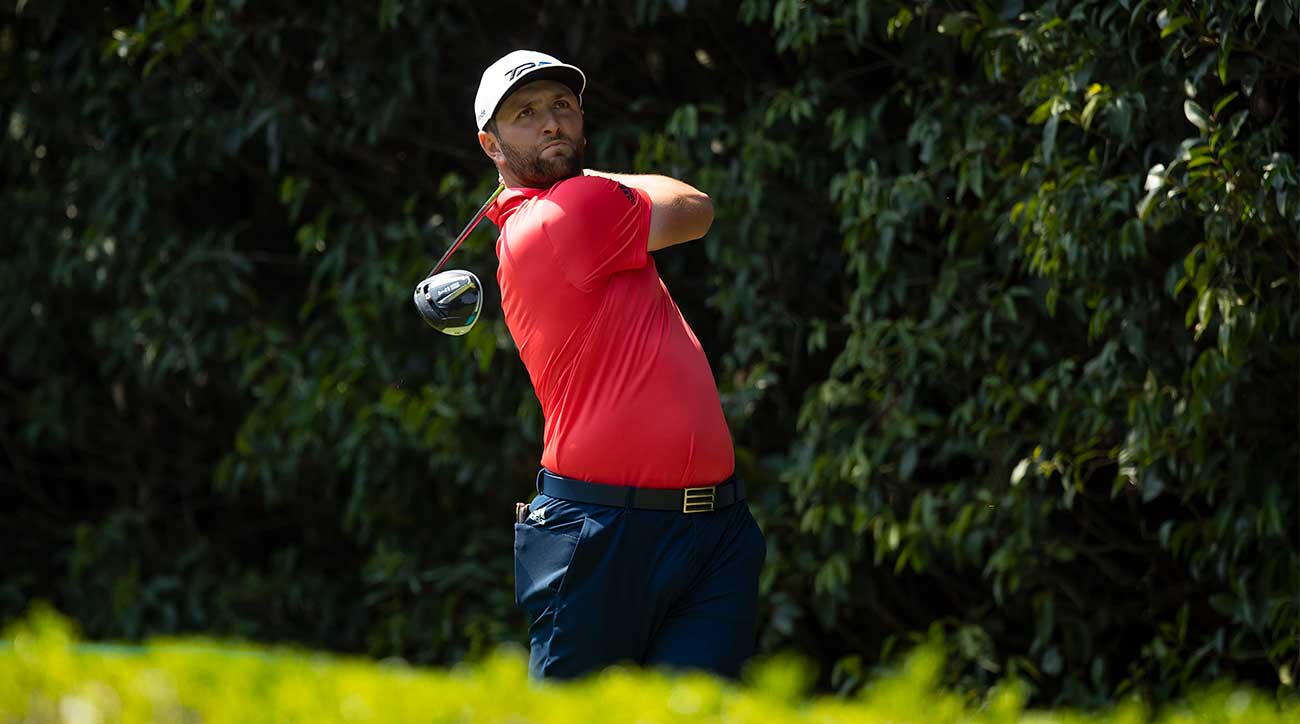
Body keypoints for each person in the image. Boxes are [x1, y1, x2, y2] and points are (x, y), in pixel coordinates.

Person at [473, 49, 766, 681]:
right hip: (602, 534)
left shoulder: (579, 206)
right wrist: (580, 178)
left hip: (712, 529)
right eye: (526, 115)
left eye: (563, 107)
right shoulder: (569, 213)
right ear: (491, 145)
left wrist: (565, 174)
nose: (552, 123)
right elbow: (694, 205)